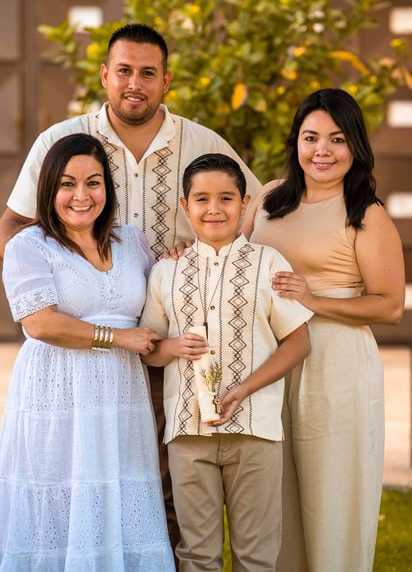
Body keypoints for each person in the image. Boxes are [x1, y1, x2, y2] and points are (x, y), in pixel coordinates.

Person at [0, 23, 262, 551]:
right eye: (124, 71)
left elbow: (252, 210)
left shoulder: (203, 142)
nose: (134, 83)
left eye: (147, 73)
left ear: (167, 80)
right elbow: (14, 226)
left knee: (161, 480)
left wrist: (208, 258)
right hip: (76, 355)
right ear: (105, 75)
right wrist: (49, 280)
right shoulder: (59, 140)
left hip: (173, 344)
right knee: (71, 480)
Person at [241, 88, 405, 572]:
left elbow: (391, 305)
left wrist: (314, 300)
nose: (322, 151)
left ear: (354, 145)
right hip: (271, 363)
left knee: (332, 496)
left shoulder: (366, 215)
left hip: (336, 369)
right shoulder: (268, 197)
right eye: (311, 138)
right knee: (276, 498)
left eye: (336, 139)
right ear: (296, 142)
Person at [0, 133, 175, 570]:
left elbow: (155, 299)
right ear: (48, 190)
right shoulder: (28, 246)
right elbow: (40, 323)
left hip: (120, 394)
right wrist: (117, 338)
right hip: (58, 390)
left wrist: (179, 263)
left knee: (120, 490)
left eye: (93, 182)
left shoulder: (131, 241)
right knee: (62, 489)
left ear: (107, 188)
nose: (82, 195)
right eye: (67, 184)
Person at [139, 153, 313, 571]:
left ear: (244, 202)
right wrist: (174, 347)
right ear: (185, 206)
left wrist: (245, 390)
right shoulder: (166, 272)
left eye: (226, 198)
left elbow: (298, 343)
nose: (214, 209)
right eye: (201, 199)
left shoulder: (268, 263)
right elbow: (153, 349)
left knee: (256, 556)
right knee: (197, 554)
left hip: (255, 429)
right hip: (187, 431)